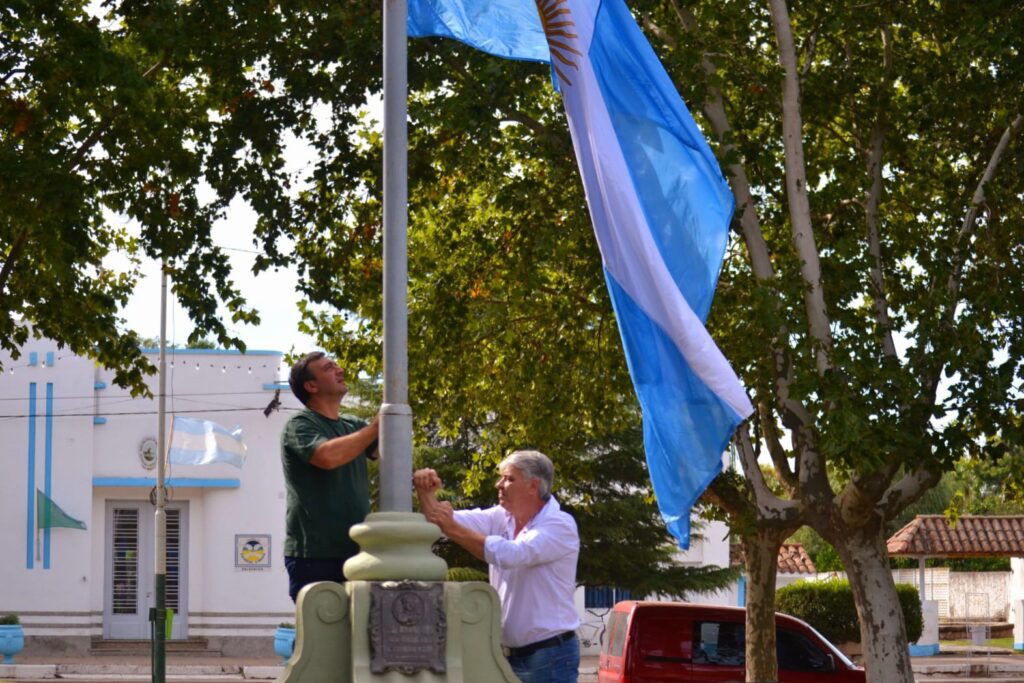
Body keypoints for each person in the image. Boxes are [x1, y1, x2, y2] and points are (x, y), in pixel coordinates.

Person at [413, 450, 580, 683]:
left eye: (509, 478)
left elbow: (512, 554)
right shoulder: (500, 516)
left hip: (549, 655)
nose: (499, 484)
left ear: (533, 486)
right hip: (509, 655)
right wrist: (425, 491)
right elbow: (440, 521)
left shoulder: (560, 524)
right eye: (501, 477)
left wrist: (451, 527)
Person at [280, 351, 379, 602]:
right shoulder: (300, 424)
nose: (340, 370)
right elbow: (327, 457)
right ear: (311, 386)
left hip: (359, 553)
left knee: (358, 637)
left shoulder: (354, 425)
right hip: (314, 556)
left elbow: (388, 454)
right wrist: (377, 427)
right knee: (318, 637)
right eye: (328, 368)